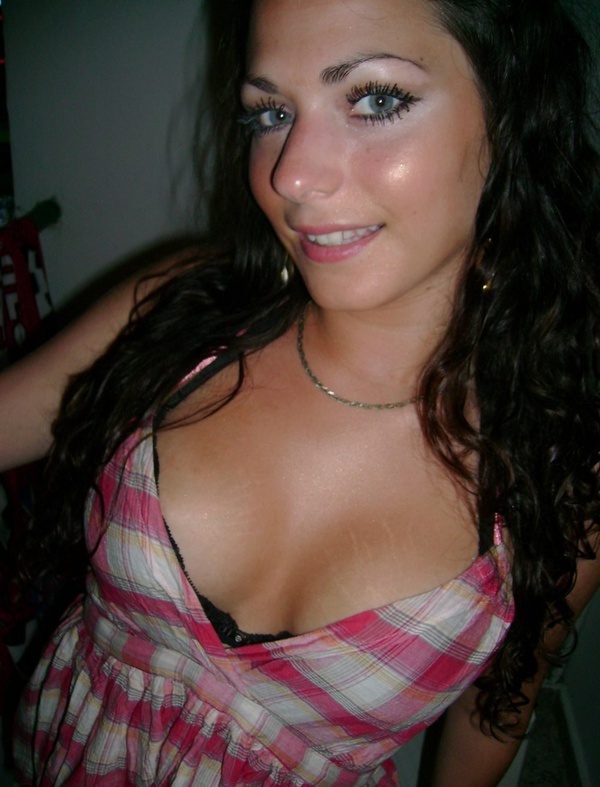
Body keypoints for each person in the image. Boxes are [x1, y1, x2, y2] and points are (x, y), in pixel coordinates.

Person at [4, 0, 600, 783]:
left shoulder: (564, 472)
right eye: (271, 113)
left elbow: (501, 704)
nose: (290, 174)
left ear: (512, 113)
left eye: (376, 99)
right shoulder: (182, 312)